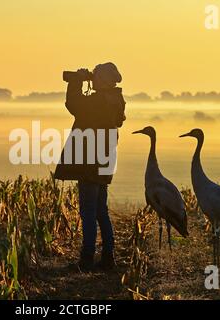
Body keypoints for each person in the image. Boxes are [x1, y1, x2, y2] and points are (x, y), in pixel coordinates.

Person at [54, 62, 126, 272]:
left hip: (89, 161)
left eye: (95, 76)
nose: (92, 78)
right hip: (105, 159)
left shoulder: (98, 101)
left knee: (87, 210)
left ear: (102, 80)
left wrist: (76, 81)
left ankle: (86, 259)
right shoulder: (117, 99)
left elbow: (73, 104)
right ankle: (108, 257)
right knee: (101, 210)